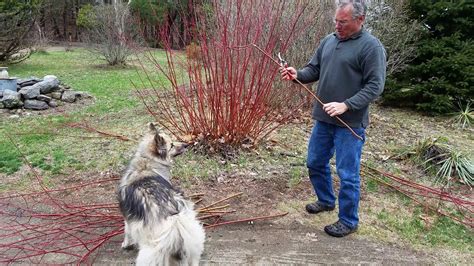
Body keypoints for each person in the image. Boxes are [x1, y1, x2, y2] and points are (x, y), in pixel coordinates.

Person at [280, 0, 386, 237]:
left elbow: (376, 86)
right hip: (323, 119)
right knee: (315, 162)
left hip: (350, 124)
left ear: (360, 20)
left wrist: (346, 105)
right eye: (336, 20)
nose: (337, 25)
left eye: (343, 22)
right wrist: (297, 75)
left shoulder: (371, 47)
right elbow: (313, 70)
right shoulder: (328, 41)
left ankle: (348, 220)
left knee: (347, 174)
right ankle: (326, 200)